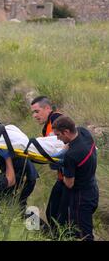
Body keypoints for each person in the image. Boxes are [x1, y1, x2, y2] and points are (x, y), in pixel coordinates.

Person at [52, 116, 99, 241]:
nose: (57, 138)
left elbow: (69, 184)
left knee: (84, 235)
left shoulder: (72, 156)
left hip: (81, 198)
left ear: (66, 132)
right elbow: (69, 145)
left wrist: (63, 166)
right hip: (93, 188)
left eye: (58, 135)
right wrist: (63, 151)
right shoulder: (83, 132)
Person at [31, 96, 65, 234]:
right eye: (33, 113)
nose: (34, 116)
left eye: (37, 111)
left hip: (71, 179)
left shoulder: (56, 118)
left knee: (59, 217)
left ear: (47, 108)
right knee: (52, 213)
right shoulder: (47, 127)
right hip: (62, 178)